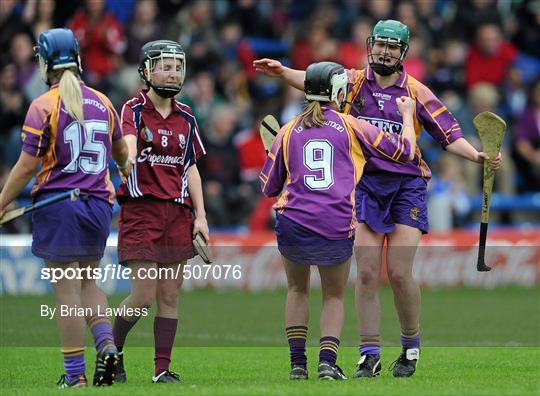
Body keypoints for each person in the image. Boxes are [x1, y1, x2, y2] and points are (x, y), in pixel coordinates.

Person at [254, 19, 502, 378]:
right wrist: (281, 72)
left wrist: (477, 156)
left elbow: (448, 135)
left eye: (392, 46)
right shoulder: (353, 82)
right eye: (380, 44)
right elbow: (318, 85)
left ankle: (410, 347)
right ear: (371, 45)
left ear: (403, 52)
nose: (384, 51)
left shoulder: (416, 92)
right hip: (365, 186)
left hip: (407, 185)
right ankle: (368, 354)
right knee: (367, 273)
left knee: (399, 273)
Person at [260, 61, 417, 380]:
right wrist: (406, 116)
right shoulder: (351, 126)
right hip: (335, 221)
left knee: (297, 290)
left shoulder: (288, 130)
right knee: (333, 296)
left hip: (293, 221)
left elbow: (269, 188)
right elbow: (406, 152)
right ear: (339, 92)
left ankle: (297, 366)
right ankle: (327, 364)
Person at [0, 28, 131, 388]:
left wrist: (1, 202)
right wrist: (124, 169)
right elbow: (122, 155)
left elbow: (26, 166)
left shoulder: (42, 105)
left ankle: (75, 377)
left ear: (45, 63)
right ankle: (106, 345)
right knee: (89, 282)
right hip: (98, 207)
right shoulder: (103, 102)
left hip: (59, 206)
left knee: (67, 294)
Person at [112, 40, 209, 384]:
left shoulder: (186, 116)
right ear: (147, 70)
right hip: (141, 211)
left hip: (177, 212)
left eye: (178, 66)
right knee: (142, 296)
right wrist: (129, 156)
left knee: (169, 296)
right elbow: (128, 143)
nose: (173, 72)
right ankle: (112, 353)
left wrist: (201, 216)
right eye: (165, 66)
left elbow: (191, 168)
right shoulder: (133, 109)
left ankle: (161, 370)